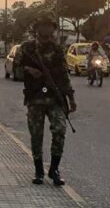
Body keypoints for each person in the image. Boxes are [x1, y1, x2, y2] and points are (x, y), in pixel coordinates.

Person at [14, 14, 76, 186]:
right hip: (35, 97)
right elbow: (16, 70)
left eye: (51, 26)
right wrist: (29, 70)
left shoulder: (57, 49)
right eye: (45, 26)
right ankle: (39, 170)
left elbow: (64, 75)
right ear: (37, 28)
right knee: (36, 135)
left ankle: (54, 169)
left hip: (55, 98)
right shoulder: (26, 48)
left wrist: (71, 97)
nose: (48, 29)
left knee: (60, 130)